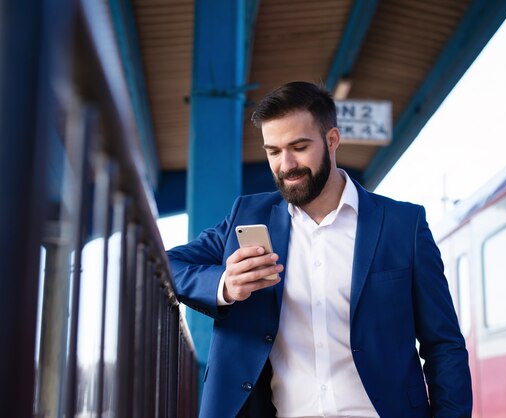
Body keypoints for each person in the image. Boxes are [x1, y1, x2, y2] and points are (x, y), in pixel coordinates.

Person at [167, 82, 472, 418]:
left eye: (299, 147)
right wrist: (224, 285)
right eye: (273, 151)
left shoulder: (403, 225)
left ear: (332, 140)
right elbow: (169, 265)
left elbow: (443, 346)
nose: (286, 165)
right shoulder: (248, 216)